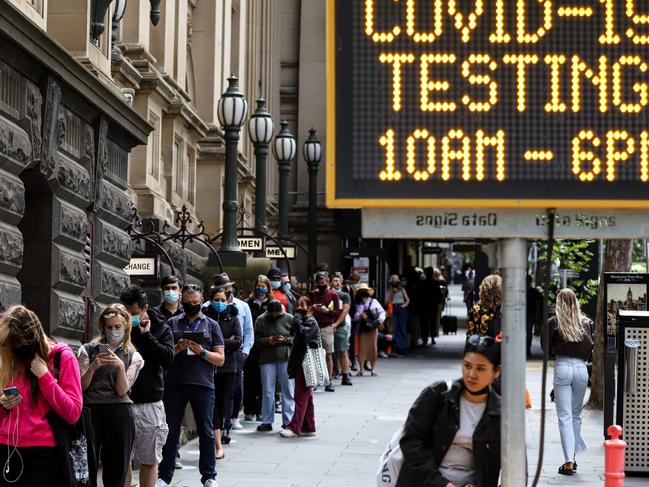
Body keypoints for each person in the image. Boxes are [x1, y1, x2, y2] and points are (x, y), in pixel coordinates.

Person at [397, 335, 502, 487]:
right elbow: (411, 442)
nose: (471, 374)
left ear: (496, 372)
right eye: (467, 366)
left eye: (480, 368)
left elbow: (514, 463)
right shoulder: (437, 395)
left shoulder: (501, 413)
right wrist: (442, 484)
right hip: (427, 481)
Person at [0, 305, 83, 487]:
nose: (15, 350)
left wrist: (45, 377)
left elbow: (73, 412)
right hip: (6, 446)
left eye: (19, 344)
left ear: (33, 338)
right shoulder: (9, 359)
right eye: (11, 346)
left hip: (43, 450)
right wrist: (3, 405)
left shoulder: (63, 357)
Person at [158, 284, 224, 487]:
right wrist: (177, 348)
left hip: (203, 383)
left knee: (205, 431)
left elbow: (220, 359)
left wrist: (201, 352)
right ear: (182, 300)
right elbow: (163, 355)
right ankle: (164, 476)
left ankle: (209, 477)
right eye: (188, 303)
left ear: (202, 301)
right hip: (175, 384)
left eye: (196, 303)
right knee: (171, 430)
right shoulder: (171, 323)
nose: (192, 306)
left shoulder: (211, 325)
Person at [79, 304, 144, 487]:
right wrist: (93, 367)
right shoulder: (88, 350)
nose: (113, 331)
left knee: (116, 466)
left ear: (126, 328)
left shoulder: (133, 355)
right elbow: (81, 387)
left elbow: (122, 391)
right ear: (103, 327)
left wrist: (120, 367)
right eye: (109, 327)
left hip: (119, 411)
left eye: (117, 327)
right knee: (87, 464)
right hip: (91, 410)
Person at [120, 286, 175, 487]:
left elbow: (168, 358)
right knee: (122, 460)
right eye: (125, 313)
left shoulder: (162, 328)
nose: (129, 318)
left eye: (133, 314)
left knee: (149, 460)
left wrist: (147, 336)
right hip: (121, 401)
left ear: (144, 309)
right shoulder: (117, 326)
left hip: (149, 402)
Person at [542, 289, 593, 476]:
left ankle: (569, 461)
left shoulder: (553, 322)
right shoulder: (586, 323)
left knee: (564, 416)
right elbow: (591, 346)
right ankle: (572, 457)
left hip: (562, 366)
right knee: (575, 415)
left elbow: (544, 347)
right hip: (581, 369)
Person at [211, 273, 253, 432]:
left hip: (236, 355)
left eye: (227, 287)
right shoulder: (208, 307)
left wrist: (245, 351)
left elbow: (247, 332)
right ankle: (218, 425)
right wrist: (225, 340)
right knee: (216, 393)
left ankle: (231, 420)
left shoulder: (241, 307)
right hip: (213, 358)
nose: (225, 291)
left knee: (233, 390)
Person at [204, 287, 242, 460]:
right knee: (212, 405)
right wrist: (226, 342)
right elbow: (203, 340)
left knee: (222, 402)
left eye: (222, 300)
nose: (219, 303)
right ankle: (216, 443)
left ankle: (221, 434)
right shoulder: (205, 316)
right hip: (208, 366)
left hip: (228, 367)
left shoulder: (233, 317)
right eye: (216, 299)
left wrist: (217, 344)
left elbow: (238, 342)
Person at [281, 297, 320, 438]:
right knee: (307, 396)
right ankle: (308, 426)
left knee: (300, 396)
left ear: (310, 308)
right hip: (300, 362)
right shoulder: (303, 321)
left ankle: (294, 426)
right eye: (298, 305)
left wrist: (297, 319)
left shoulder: (311, 321)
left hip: (305, 363)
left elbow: (304, 335)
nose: (299, 308)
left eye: (303, 305)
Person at [254, 300, 294, 432]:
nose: (275, 317)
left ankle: (288, 420)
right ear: (269, 312)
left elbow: (296, 337)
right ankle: (267, 421)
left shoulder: (289, 318)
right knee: (267, 391)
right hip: (267, 358)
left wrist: (286, 340)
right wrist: (268, 341)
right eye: (273, 315)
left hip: (286, 357)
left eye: (278, 314)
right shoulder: (261, 319)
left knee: (287, 390)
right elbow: (256, 340)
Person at [244, 275, 272, 421]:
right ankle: (249, 409)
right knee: (250, 378)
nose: (261, 288)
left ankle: (261, 410)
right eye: (258, 285)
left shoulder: (272, 304)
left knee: (264, 380)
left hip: (267, 346)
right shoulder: (248, 303)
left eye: (263, 286)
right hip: (251, 345)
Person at [309, 272, 341, 391]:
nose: (321, 284)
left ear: (327, 281)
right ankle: (316, 380)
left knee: (328, 353)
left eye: (323, 282)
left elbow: (337, 312)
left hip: (327, 326)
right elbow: (308, 308)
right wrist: (313, 309)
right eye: (319, 283)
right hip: (314, 325)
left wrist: (327, 310)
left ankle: (329, 380)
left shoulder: (333, 295)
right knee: (315, 353)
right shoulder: (313, 294)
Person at [353, 283, 385, 376]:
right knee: (362, 348)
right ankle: (362, 369)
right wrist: (360, 315)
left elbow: (381, 312)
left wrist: (379, 321)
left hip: (372, 328)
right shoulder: (357, 303)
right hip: (362, 328)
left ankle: (373, 369)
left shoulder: (374, 301)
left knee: (373, 347)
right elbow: (354, 316)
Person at [331, 272, 353, 386]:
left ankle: (345, 375)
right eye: (335, 281)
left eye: (339, 281)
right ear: (330, 282)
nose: (338, 283)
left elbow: (345, 311)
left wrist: (336, 324)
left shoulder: (345, 295)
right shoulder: (327, 294)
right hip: (327, 325)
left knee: (343, 351)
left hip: (340, 325)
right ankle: (328, 377)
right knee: (328, 353)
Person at [386, 275, 410, 354]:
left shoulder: (402, 289)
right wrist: (392, 293)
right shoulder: (389, 290)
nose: (395, 281)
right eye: (393, 280)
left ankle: (403, 347)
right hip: (393, 307)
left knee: (402, 327)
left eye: (396, 280)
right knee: (394, 327)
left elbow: (407, 300)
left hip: (401, 308)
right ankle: (396, 346)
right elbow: (387, 301)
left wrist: (403, 306)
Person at [347, 271, 362, 371]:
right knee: (351, 340)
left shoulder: (361, 289)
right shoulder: (347, 288)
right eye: (353, 280)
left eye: (355, 281)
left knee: (354, 340)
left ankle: (355, 361)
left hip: (356, 316)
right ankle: (352, 361)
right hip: (351, 316)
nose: (354, 282)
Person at [526, 275, 543, 357]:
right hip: (523, 315)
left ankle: (527, 350)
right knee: (526, 332)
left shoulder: (534, 292)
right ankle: (525, 350)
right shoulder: (521, 290)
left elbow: (539, 303)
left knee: (528, 332)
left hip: (530, 314)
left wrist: (538, 315)